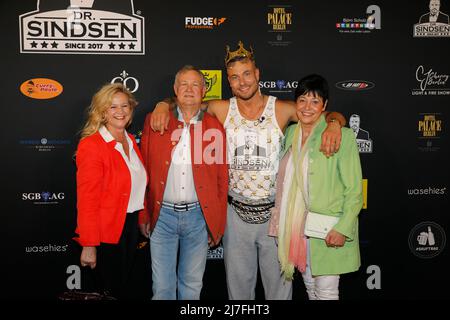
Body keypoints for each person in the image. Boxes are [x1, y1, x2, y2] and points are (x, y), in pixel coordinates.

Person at [149, 41, 346, 300]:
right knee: (239, 292)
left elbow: (326, 113)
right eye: (234, 77)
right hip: (236, 215)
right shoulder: (221, 108)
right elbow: (187, 101)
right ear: (228, 82)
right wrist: (163, 105)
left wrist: (333, 124)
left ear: (257, 74)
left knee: (279, 291)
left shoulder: (281, 108)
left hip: (274, 216)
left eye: (246, 74)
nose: (242, 82)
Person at [269, 74, 363, 300]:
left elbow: (354, 190)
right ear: (295, 104)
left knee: (327, 293)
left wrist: (343, 228)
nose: (307, 107)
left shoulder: (342, 136)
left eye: (315, 101)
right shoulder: (291, 133)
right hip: (297, 228)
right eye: (302, 100)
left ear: (325, 106)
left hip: (327, 229)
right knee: (311, 290)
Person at [138, 65, 228, 300]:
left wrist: (215, 222)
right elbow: (143, 173)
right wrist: (144, 214)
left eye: (195, 84)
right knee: (162, 288)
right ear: (175, 89)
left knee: (191, 287)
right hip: (162, 217)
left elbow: (221, 179)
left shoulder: (214, 127)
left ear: (204, 90)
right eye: (184, 85)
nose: (189, 90)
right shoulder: (155, 121)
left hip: (198, 218)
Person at [73, 83, 147, 299]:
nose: (120, 112)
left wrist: (142, 218)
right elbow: (87, 200)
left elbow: (137, 188)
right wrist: (88, 244)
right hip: (106, 233)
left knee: (124, 290)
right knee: (110, 292)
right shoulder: (92, 145)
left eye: (125, 106)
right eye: (113, 107)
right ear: (102, 111)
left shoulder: (131, 141)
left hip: (131, 228)